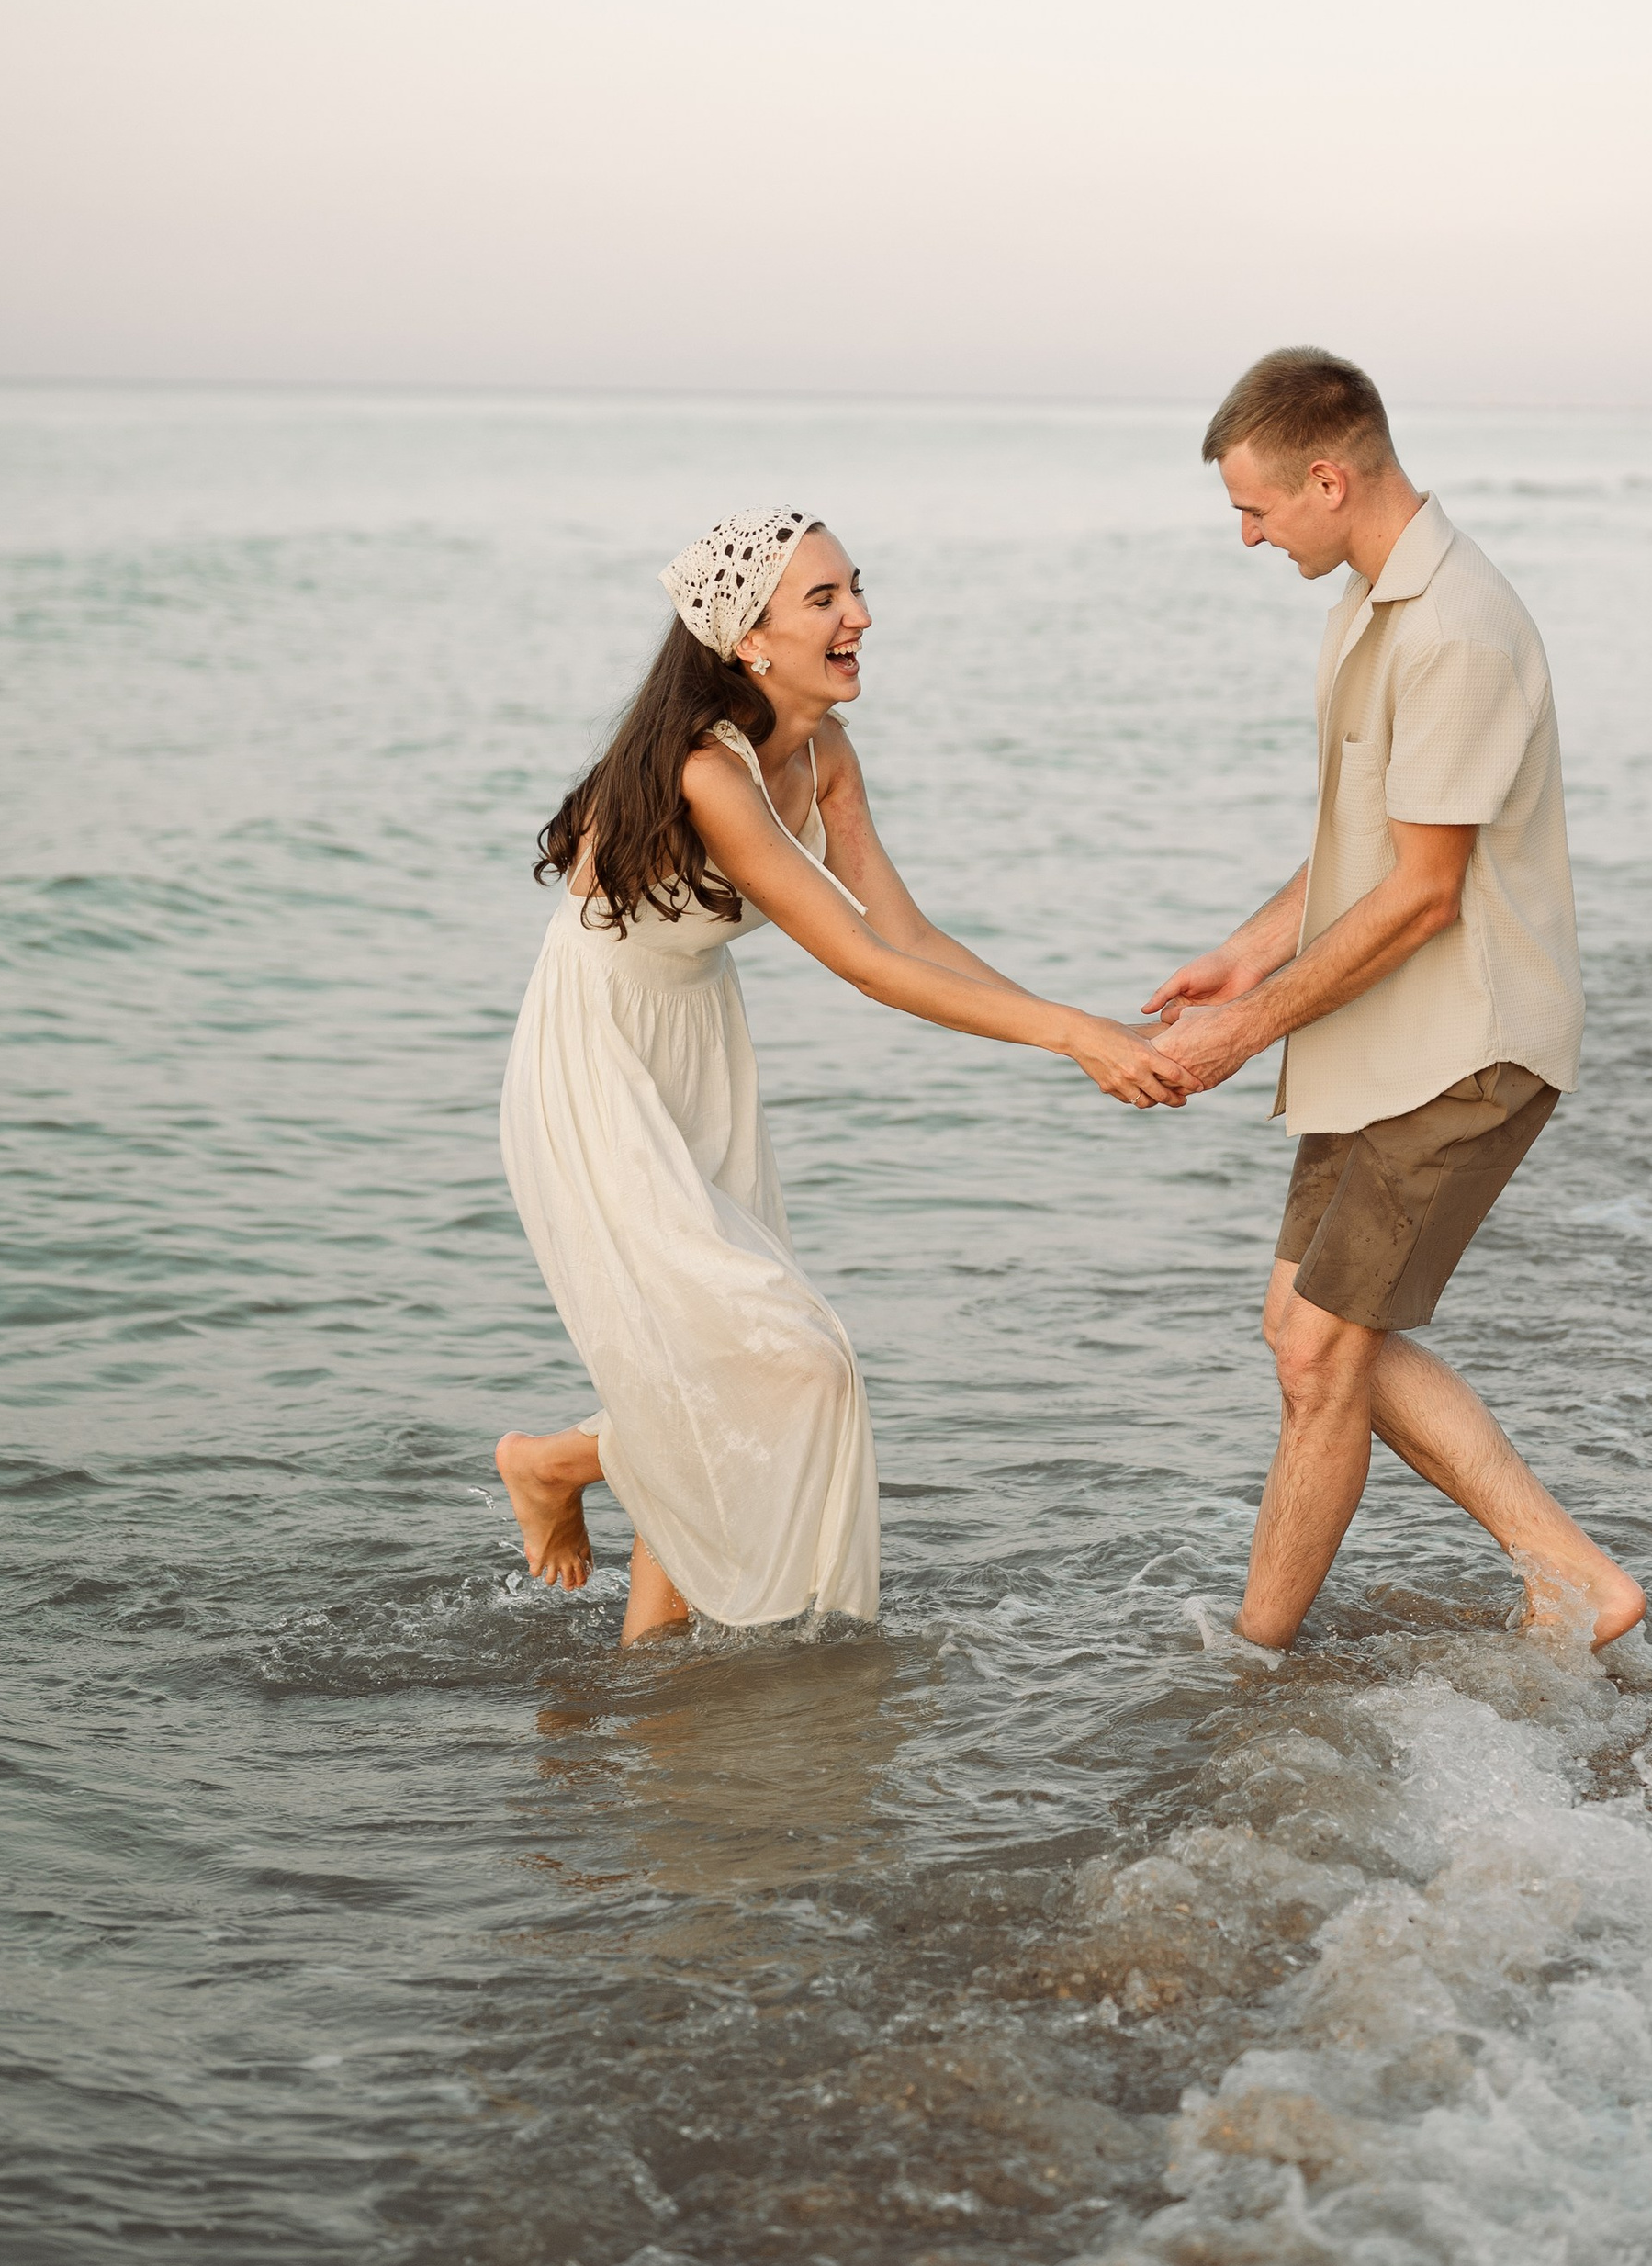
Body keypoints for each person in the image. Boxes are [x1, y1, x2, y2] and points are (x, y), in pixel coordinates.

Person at [494, 506, 1180, 1644]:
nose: (860, 613)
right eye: (825, 599)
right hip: (596, 1056)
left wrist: (1094, 1026)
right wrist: (1072, 1038)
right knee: (784, 1360)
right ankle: (557, 1460)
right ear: (746, 639)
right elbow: (863, 963)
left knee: (712, 1358)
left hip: (695, 1042)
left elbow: (905, 931)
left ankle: (649, 1663)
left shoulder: (823, 753)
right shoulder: (707, 771)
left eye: (855, 587)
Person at [1146, 350, 1646, 1654]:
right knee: (1306, 1337)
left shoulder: (1456, 627)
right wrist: (1252, 953)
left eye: (1256, 509)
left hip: (1467, 1046)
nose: (1248, 534)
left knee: (1320, 1356)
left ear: (1329, 476)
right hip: (1383, 1042)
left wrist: (1230, 1043)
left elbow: (1426, 892)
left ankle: (1254, 1664)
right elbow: (1376, 830)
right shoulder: (1370, 602)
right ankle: (1566, 1575)